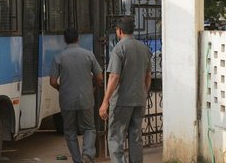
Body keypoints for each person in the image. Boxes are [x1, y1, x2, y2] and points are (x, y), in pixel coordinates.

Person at [99, 17, 152, 163]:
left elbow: (114, 77)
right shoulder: (144, 49)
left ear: (120, 31)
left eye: (116, 30)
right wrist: (144, 92)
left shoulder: (119, 48)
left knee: (116, 136)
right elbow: (148, 76)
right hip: (139, 100)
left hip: (122, 101)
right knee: (135, 136)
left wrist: (105, 101)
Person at [50, 27, 103, 163]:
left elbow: (53, 81)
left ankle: (77, 160)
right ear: (78, 38)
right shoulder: (88, 55)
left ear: (64, 40)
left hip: (67, 100)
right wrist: (94, 87)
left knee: (70, 132)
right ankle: (87, 154)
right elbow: (99, 77)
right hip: (86, 98)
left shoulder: (58, 57)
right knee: (89, 128)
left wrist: (61, 89)